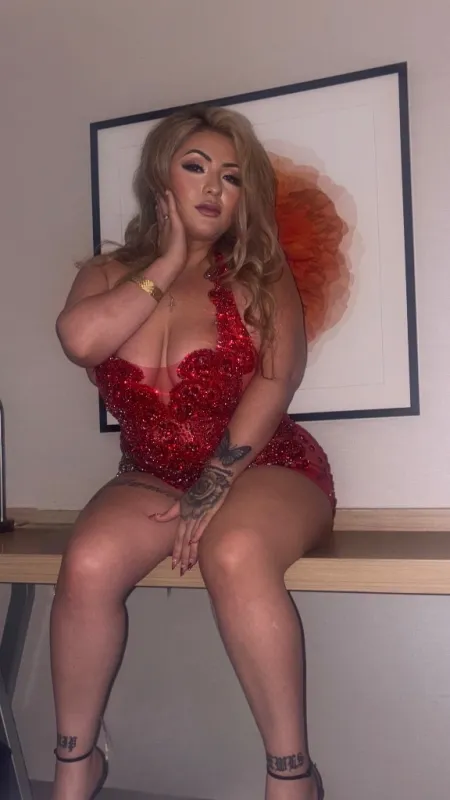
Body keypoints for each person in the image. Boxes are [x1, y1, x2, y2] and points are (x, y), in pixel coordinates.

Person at [52, 104, 335, 800]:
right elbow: (82, 342)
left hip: (263, 464)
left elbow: (277, 380)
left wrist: (215, 482)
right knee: (87, 560)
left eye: (231, 177)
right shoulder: (107, 274)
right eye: (196, 167)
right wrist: (169, 260)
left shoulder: (259, 274)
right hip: (150, 473)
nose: (213, 187)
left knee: (233, 550)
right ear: (162, 178)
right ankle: (75, 766)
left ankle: (291, 776)